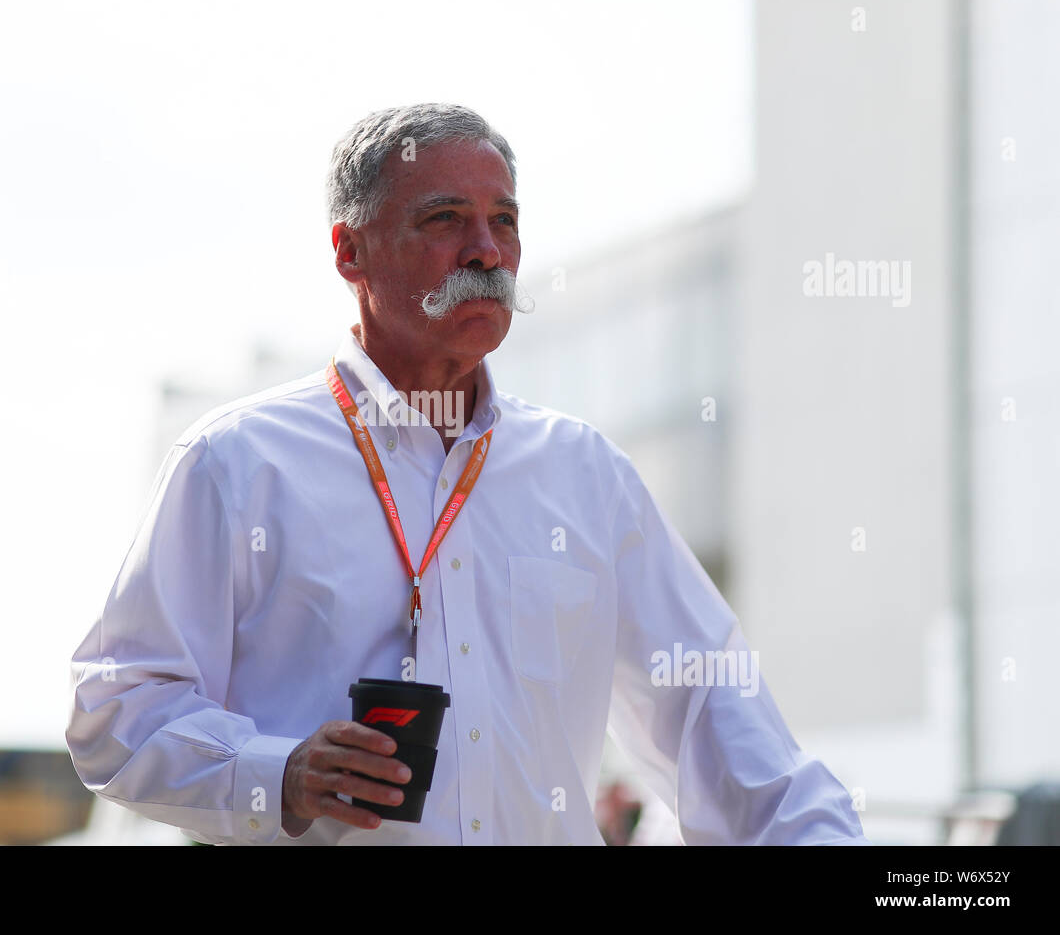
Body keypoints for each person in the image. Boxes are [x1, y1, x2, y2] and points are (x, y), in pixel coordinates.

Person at [64, 103, 868, 845]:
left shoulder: (584, 474)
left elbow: (711, 711)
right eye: (445, 219)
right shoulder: (235, 465)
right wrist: (280, 774)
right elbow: (117, 709)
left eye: (505, 221)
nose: (487, 252)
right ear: (351, 251)